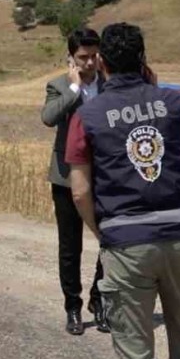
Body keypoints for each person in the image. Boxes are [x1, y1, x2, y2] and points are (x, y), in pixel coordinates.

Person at [67, 23, 180, 359]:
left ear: (102, 62)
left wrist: (101, 231)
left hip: (128, 238)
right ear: (145, 57)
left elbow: (79, 190)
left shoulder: (87, 115)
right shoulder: (174, 103)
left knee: (135, 342)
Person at [42, 28, 107, 335]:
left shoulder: (110, 86)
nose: (90, 62)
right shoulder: (59, 85)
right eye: (83, 57)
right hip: (67, 177)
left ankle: (99, 300)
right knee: (71, 247)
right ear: (71, 57)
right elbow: (48, 117)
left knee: (110, 240)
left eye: (95, 56)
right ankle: (73, 307)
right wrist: (73, 88)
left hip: (103, 175)